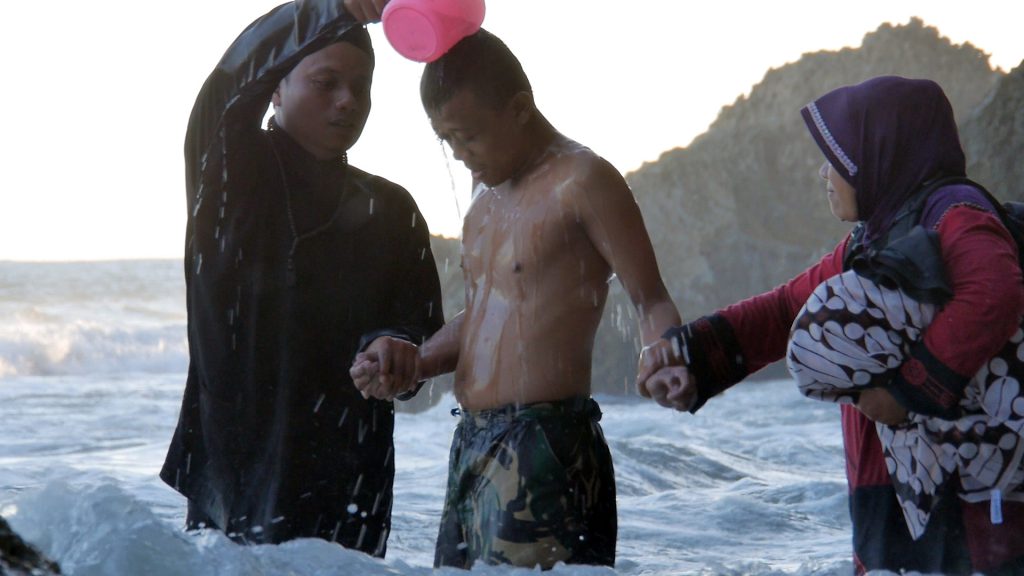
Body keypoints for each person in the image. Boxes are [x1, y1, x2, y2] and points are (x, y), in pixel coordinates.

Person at [637, 76, 1024, 574]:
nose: (824, 172)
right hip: (891, 492)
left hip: (976, 505)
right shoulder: (872, 241)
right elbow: (783, 311)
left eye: (838, 159)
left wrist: (908, 392)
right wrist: (686, 356)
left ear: (880, 154)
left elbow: (995, 293)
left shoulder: (956, 214)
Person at [350, 28, 681, 569]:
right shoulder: (484, 202)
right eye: (447, 139)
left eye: (470, 135)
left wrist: (665, 352)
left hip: (547, 447)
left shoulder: (583, 180)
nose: (459, 154)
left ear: (521, 108)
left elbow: (651, 299)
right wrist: (413, 361)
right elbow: (485, 315)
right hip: (471, 443)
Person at [159, 0, 445, 555]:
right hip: (238, 476)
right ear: (274, 89)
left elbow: (420, 341)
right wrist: (331, 9)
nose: (347, 101)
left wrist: (398, 352)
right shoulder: (230, 176)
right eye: (325, 82)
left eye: (361, 87)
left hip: (351, 484)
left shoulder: (392, 208)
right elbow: (225, 86)